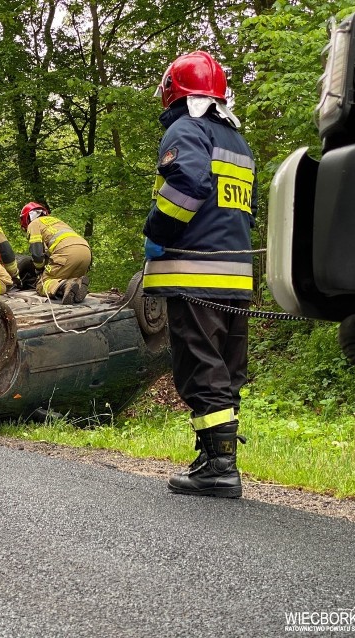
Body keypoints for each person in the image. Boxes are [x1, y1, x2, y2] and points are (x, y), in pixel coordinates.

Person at [141, 51, 256, 498]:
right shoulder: (238, 143)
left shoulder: (185, 129)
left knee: (199, 369)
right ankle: (216, 457)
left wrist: (156, 230)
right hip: (235, 278)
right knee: (225, 371)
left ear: (174, 90)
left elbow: (187, 184)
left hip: (194, 273)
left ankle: (219, 470)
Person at [19, 202, 91, 304]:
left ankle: (65, 285)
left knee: (42, 285)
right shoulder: (57, 222)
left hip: (66, 253)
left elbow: (37, 254)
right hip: (86, 252)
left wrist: (39, 269)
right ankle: (76, 284)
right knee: (68, 280)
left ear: (26, 219)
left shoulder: (34, 224)